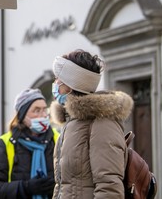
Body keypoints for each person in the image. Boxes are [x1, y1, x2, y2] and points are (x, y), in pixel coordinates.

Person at [51, 49, 134, 198]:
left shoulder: (102, 124)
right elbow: (62, 185)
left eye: (58, 79)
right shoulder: (70, 123)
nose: (55, 84)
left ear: (70, 85)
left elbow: (109, 188)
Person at [0, 88, 58, 199]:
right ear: (22, 115)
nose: (43, 115)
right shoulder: (4, 144)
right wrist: (26, 187)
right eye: (36, 110)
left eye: (44, 110)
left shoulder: (57, 140)